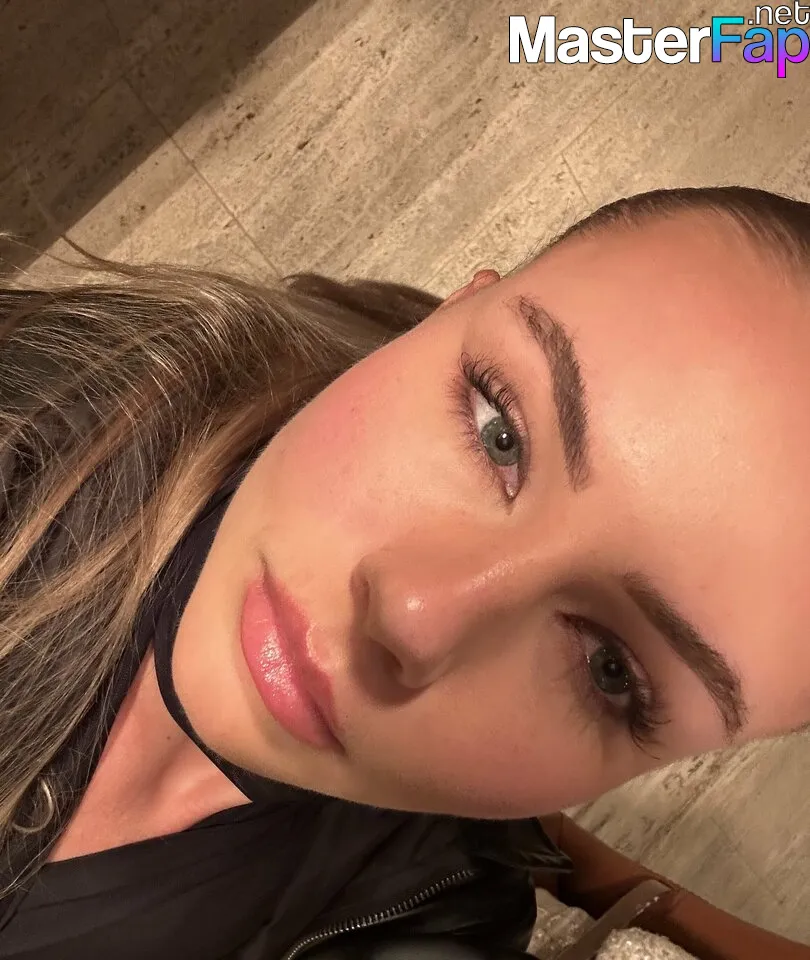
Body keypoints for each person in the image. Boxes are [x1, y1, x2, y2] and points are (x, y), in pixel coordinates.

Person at [1, 184, 809, 959]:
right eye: (499, 432)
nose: (414, 613)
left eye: (610, 669)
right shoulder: (30, 413)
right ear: (450, 308)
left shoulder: (441, 905)